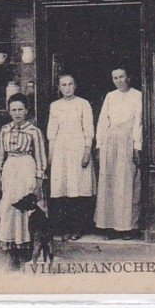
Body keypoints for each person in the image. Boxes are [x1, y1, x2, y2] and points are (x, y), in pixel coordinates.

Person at [0, 93, 47, 267]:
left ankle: (27, 252)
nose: (17, 113)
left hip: (26, 169)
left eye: (20, 109)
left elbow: (40, 158)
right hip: (10, 170)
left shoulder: (34, 131)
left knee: (26, 208)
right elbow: (0, 156)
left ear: (26, 111)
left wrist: (38, 182)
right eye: (14, 110)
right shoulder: (5, 130)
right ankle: (12, 253)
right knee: (10, 207)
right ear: (9, 111)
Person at [93, 66, 143, 239]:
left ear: (128, 77)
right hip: (110, 142)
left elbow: (138, 122)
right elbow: (102, 121)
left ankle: (127, 227)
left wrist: (137, 146)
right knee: (109, 184)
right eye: (115, 78)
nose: (119, 81)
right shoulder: (110, 96)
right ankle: (110, 227)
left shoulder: (138, 95)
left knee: (127, 183)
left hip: (127, 141)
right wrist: (99, 146)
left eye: (122, 77)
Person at [47, 73, 96, 240]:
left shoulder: (83, 104)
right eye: (63, 85)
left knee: (77, 191)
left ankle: (78, 228)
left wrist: (87, 152)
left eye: (70, 84)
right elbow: (52, 132)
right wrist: (51, 156)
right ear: (59, 87)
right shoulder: (55, 106)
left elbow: (88, 129)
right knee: (63, 191)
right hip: (61, 150)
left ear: (75, 86)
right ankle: (64, 228)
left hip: (78, 148)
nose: (67, 88)